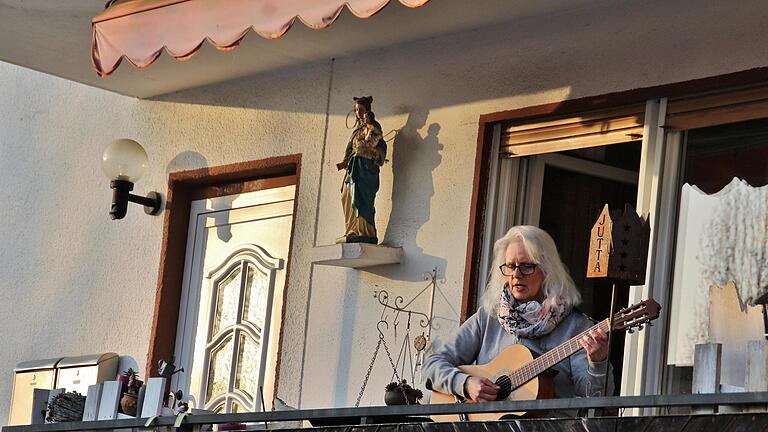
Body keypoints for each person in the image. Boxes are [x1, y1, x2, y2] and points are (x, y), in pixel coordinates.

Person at [423, 225, 612, 411]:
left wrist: (598, 362)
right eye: (510, 266)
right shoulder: (489, 317)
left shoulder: (576, 327)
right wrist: (465, 384)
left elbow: (592, 401)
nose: (516, 275)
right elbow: (432, 365)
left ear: (547, 270)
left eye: (526, 266)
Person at [335, 96, 387, 244]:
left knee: (361, 195)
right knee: (347, 193)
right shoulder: (357, 131)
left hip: (365, 169)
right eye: (356, 110)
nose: (358, 113)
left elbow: (380, 147)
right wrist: (345, 162)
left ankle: (365, 231)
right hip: (354, 166)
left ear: (367, 111)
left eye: (361, 110)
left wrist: (373, 153)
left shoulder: (373, 127)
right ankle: (352, 229)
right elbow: (350, 149)